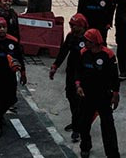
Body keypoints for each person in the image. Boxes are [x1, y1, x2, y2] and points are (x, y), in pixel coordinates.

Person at [75, 28, 120, 158]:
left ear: (95, 42)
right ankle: (85, 147)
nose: (85, 43)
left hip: (103, 96)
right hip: (86, 95)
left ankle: (112, 154)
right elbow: (78, 71)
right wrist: (78, 85)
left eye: (88, 41)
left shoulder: (108, 55)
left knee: (108, 126)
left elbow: (114, 77)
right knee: (84, 123)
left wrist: (115, 94)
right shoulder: (84, 53)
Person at [50, 13, 88, 142]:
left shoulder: (88, 39)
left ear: (82, 26)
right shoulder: (71, 36)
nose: (72, 28)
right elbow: (63, 51)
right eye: (71, 25)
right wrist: (55, 66)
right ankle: (76, 121)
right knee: (71, 97)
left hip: (84, 75)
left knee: (79, 101)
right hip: (71, 73)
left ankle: (78, 129)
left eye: (75, 26)